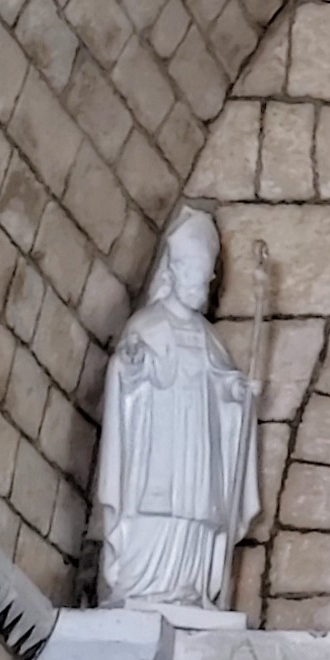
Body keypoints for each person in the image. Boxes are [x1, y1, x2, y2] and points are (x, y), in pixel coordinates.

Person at [93, 207, 260, 611]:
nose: (204, 286)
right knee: (157, 511)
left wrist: (238, 392)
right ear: (175, 273)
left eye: (207, 279)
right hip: (159, 448)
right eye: (198, 278)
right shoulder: (146, 325)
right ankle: (141, 586)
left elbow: (220, 385)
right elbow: (127, 376)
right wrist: (134, 365)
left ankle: (188, 588)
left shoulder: (208, 337)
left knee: (197, 513)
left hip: (197, 452)